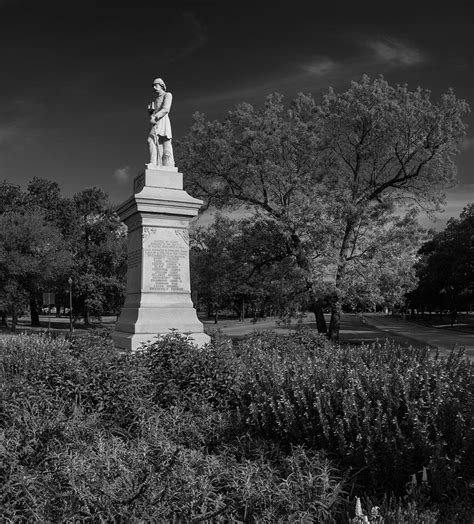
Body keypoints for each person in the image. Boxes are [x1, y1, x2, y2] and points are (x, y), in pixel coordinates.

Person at [147, 77, 174, 167]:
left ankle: (168, 164)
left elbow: (166, 109)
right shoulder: (156, 100)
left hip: (163, 120)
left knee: (165, 142)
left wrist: (155, 116)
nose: (154, 88)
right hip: (156, 121)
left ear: (162, 85)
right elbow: (154, 113)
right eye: (153, 86)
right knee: (151, 140)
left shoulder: (167, 95)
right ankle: (153, 163)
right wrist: (151, 113)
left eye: (156, 86)